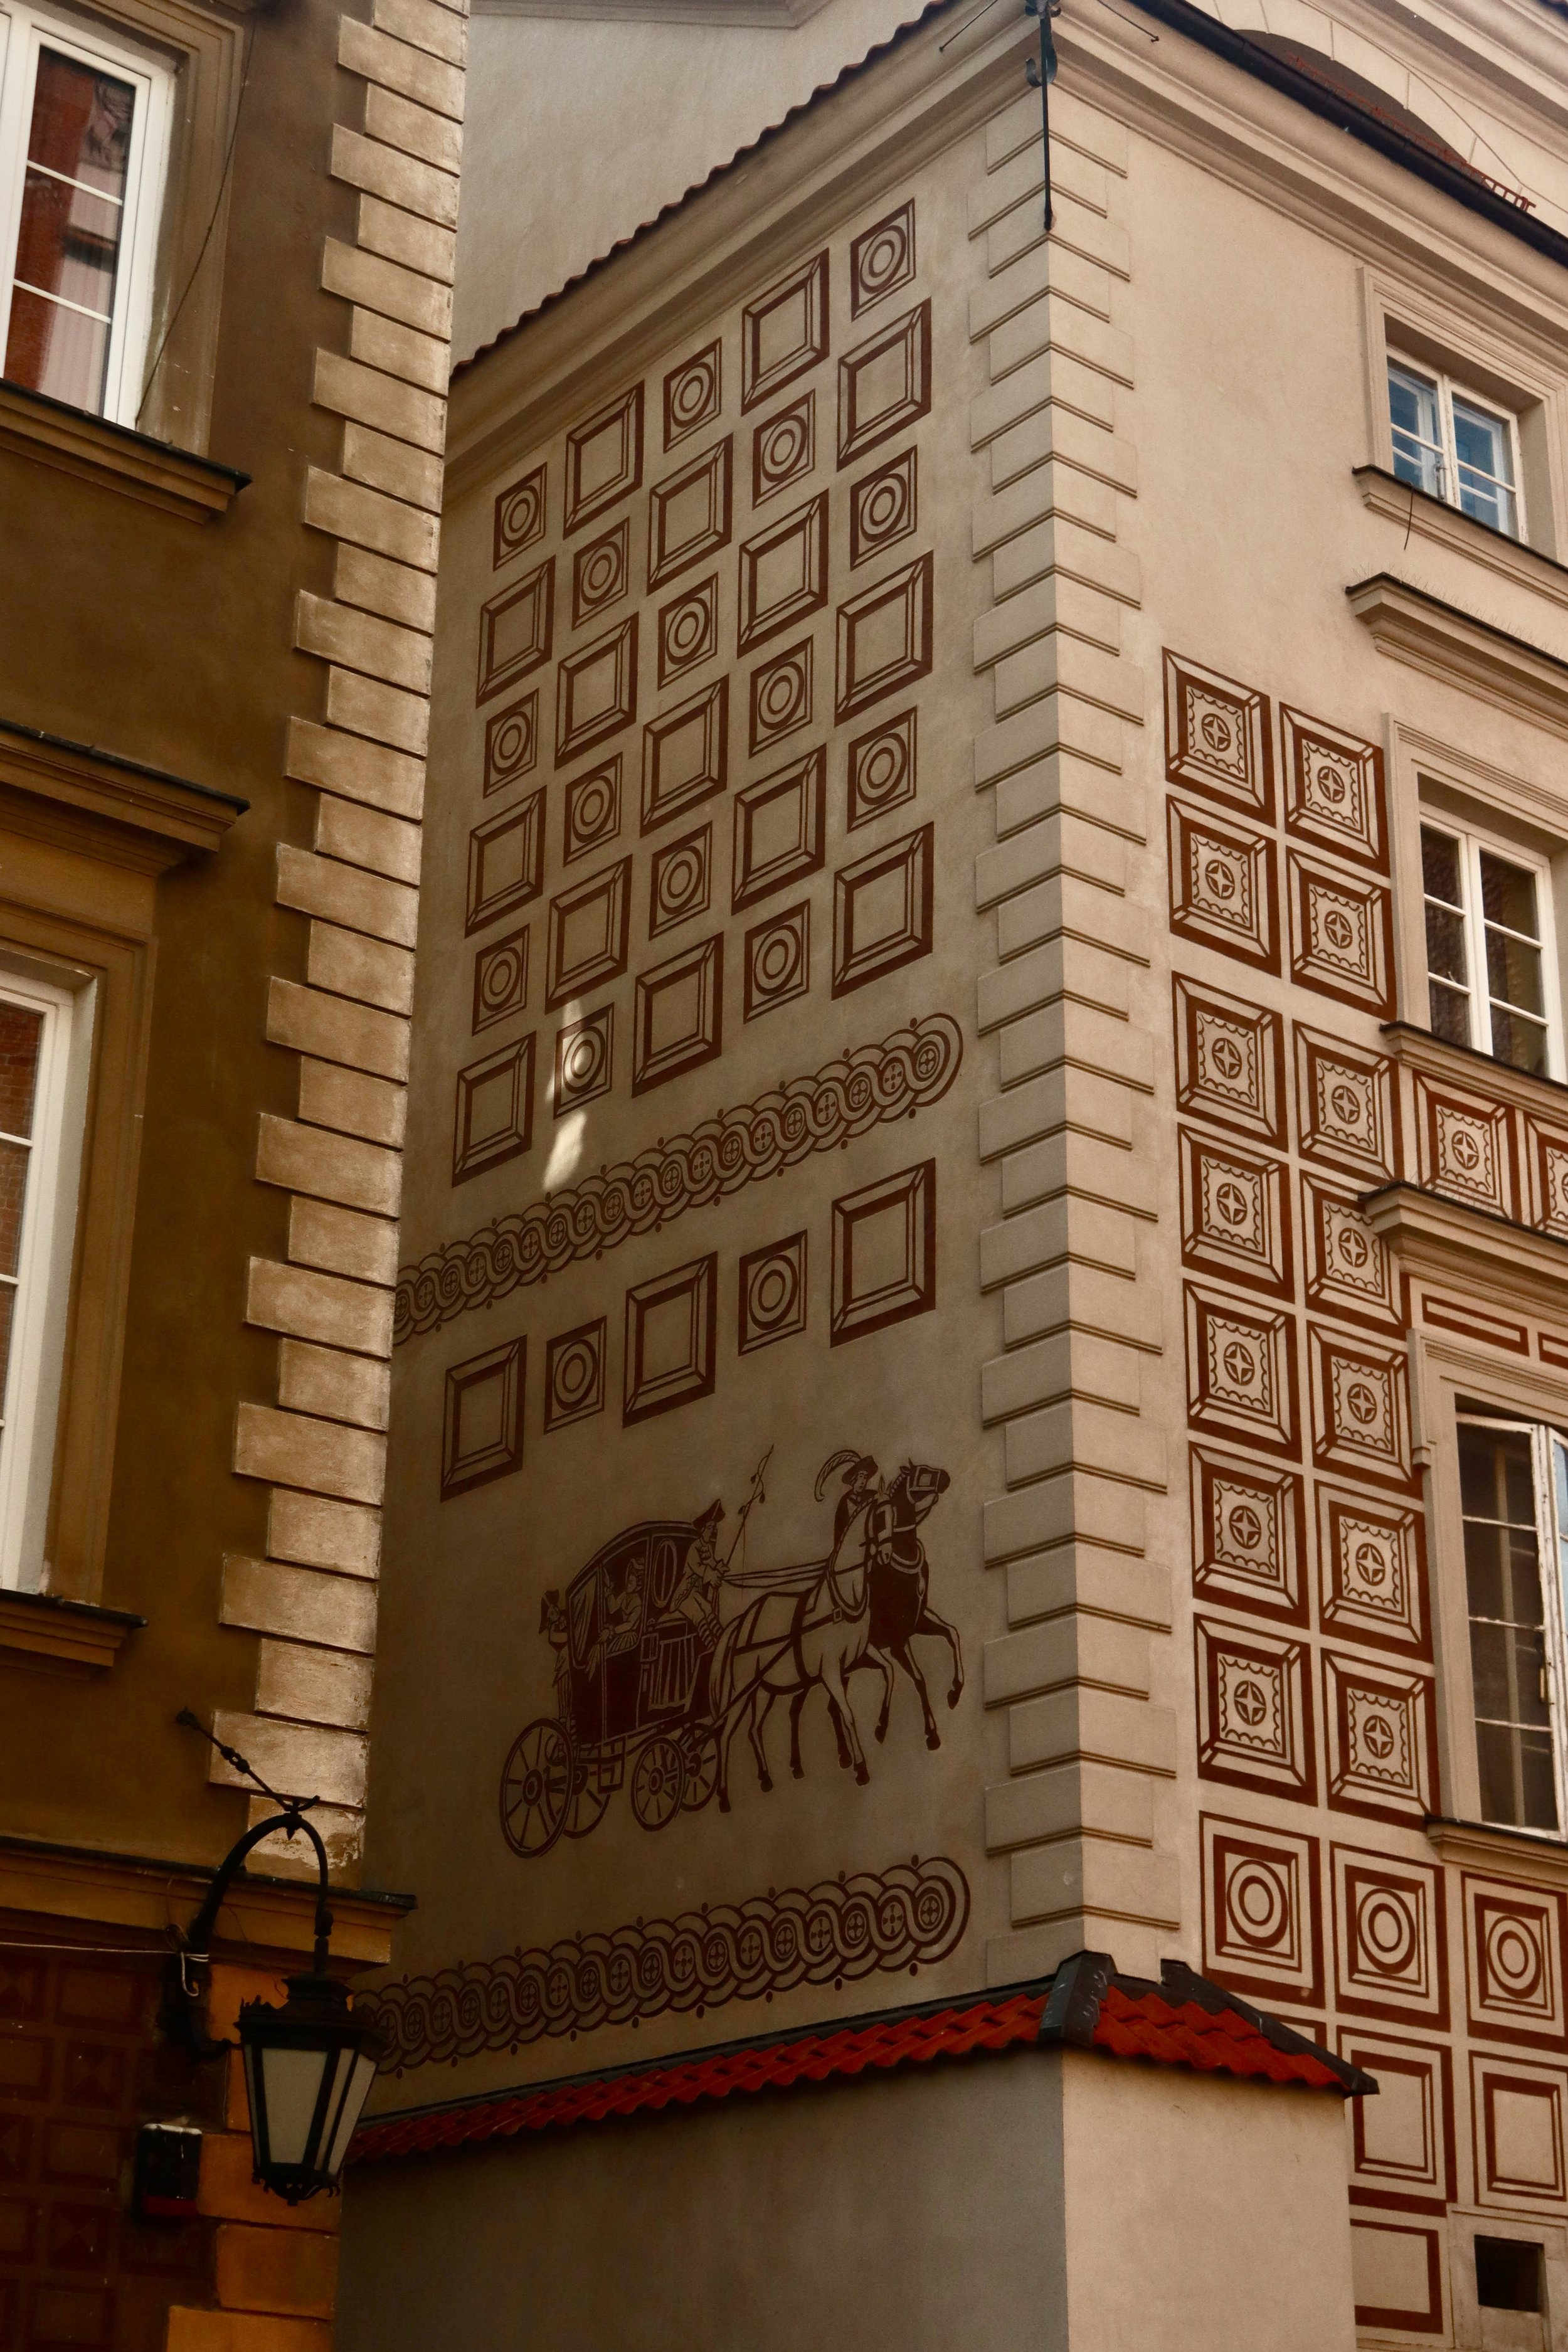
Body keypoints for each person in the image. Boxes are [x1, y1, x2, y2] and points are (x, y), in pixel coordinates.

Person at [672, 1500, 724, 1650]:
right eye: (710, 1528)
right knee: (699, 1615)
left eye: (714, 1528)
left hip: (695, 1593)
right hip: (684, 1595)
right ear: (703, 1530)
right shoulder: (694, 1547)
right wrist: (711, 1574)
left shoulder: (707, 1547)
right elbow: (697, 1568)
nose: (712, 1531)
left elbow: (712, 1563)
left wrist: (720, 1569)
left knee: (708, 1608)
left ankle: (723, 1641)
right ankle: (711, 1646)